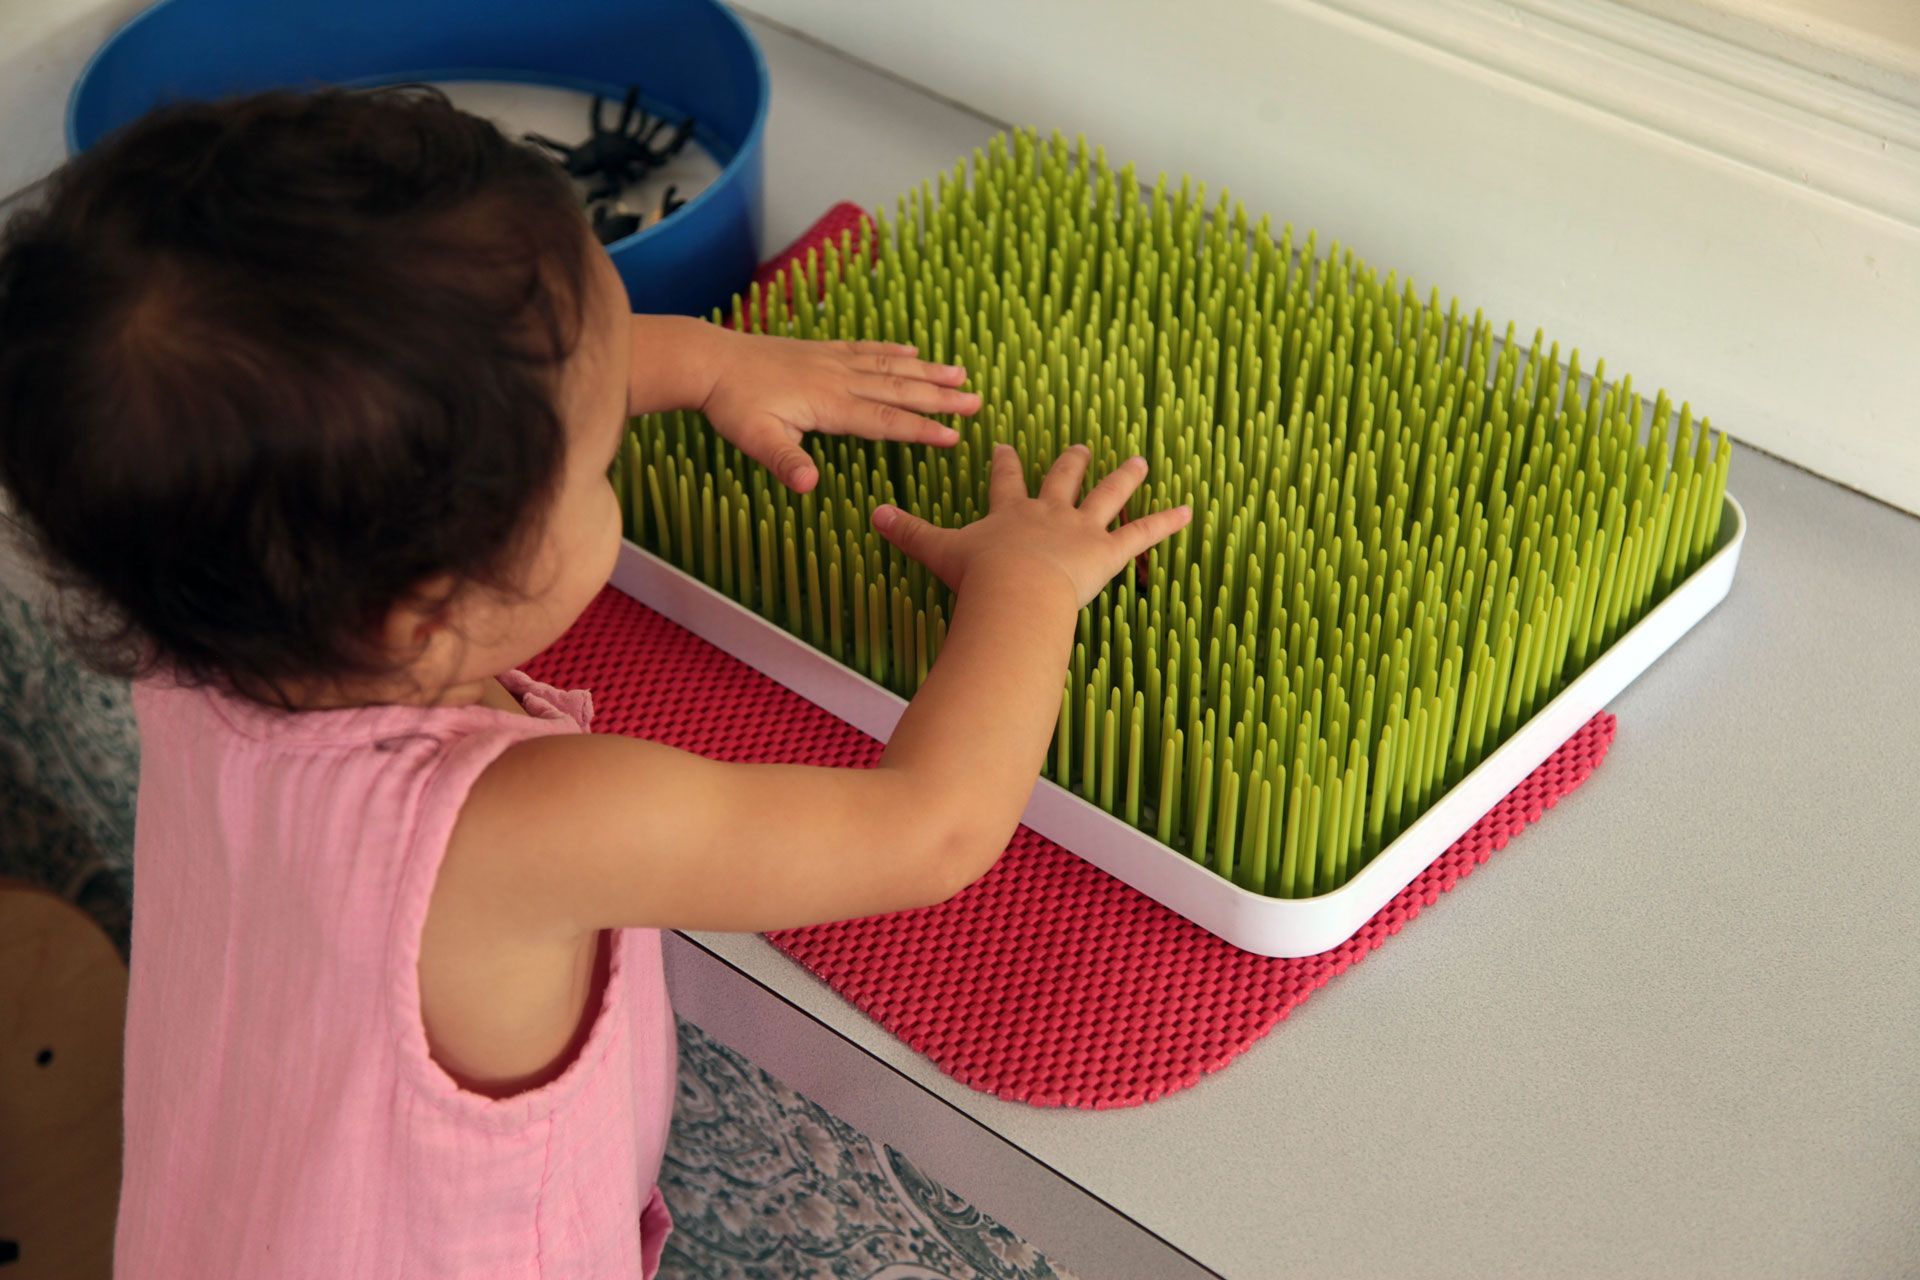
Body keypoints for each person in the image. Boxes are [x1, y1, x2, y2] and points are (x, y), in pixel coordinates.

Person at [0, 85, 1190, 1278]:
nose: (613, 425)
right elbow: (928, 830)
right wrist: (1029, 585)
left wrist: (709, 361)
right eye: (596, 461)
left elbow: (398, 407)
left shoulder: (200, 601)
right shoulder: (524, 824)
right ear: (429, 611)